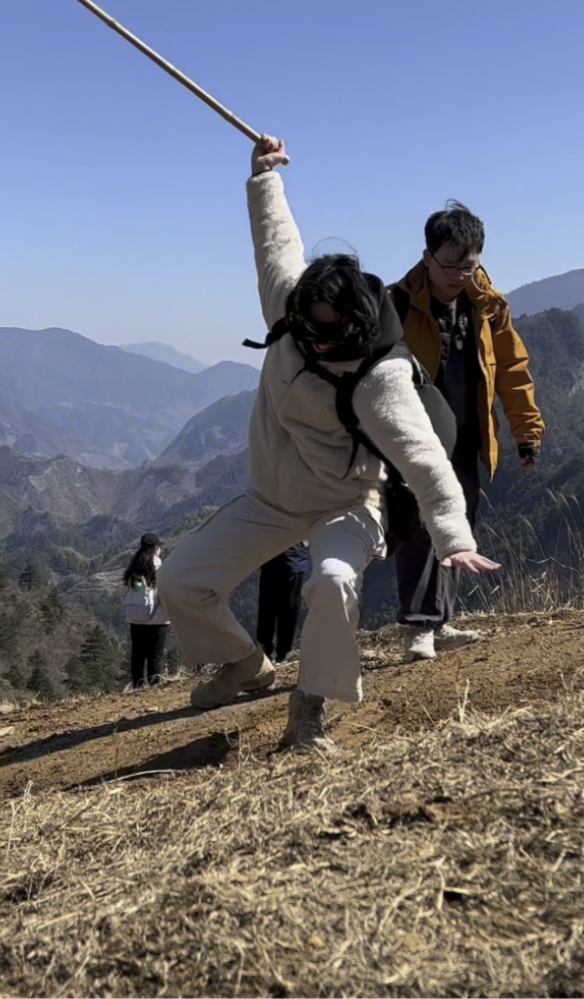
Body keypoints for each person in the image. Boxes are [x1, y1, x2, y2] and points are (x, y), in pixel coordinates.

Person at [159, 136, 500, 751]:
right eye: (305, 329)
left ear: (356, 328)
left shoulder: (381, 377)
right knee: (181, 581)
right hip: (274, 498)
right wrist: (264, 176)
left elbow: (425, 460)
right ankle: (245, 664)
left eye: (327, 336)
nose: (311, 344)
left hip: (349, 503)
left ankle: (309, 708)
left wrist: (454, 537)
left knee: (335, 579)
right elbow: (276, 243)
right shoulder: (290, 310)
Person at [390, 202, 544, 663]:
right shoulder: (397, 304)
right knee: (419, 524)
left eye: (469, 265)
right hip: (416, 435)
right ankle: (419, 626)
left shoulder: (489, 306)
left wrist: (527, 431)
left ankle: (443, 620)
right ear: (427, 256)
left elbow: (514, 369)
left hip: (470, 433)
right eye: (450, 265)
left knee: (459, 522)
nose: (459, 275)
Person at [122, 533, 170, 688]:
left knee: (138, 654)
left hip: (135, 616)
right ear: (156, 548)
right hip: (156, 617)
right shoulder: (158, 567)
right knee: (155, 654)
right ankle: (154, 683)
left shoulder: (134, 566)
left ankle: (137, 684)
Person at [255, 542, 310, 663]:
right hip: (293, 564)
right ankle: (283, 653)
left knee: (267, 611)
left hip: (272, 563)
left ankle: (264, 651)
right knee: (289, 611)